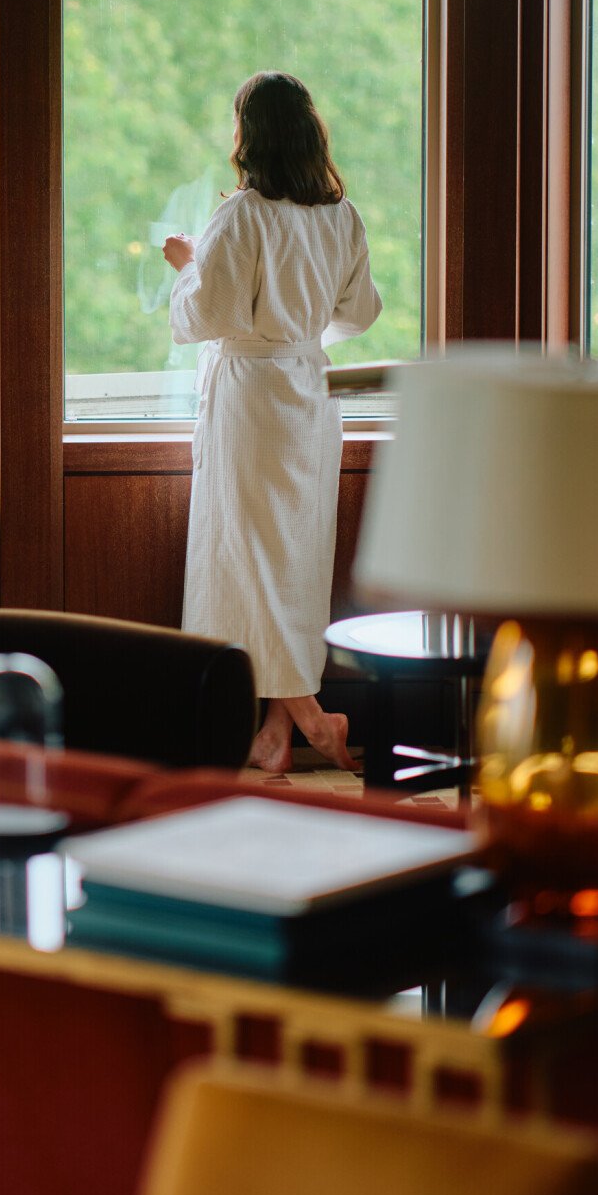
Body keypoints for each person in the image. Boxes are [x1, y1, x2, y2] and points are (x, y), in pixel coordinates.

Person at [163, 71, 381, 773]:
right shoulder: (339, 215)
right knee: (292, 557)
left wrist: (185, 265)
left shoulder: (244, 214)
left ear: (246, 135)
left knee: (250, 556)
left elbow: (209, 314)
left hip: (254, 395)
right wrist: (299, 323)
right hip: (312, 391)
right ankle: (277, 731)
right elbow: (359, 313)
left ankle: (311, 719)